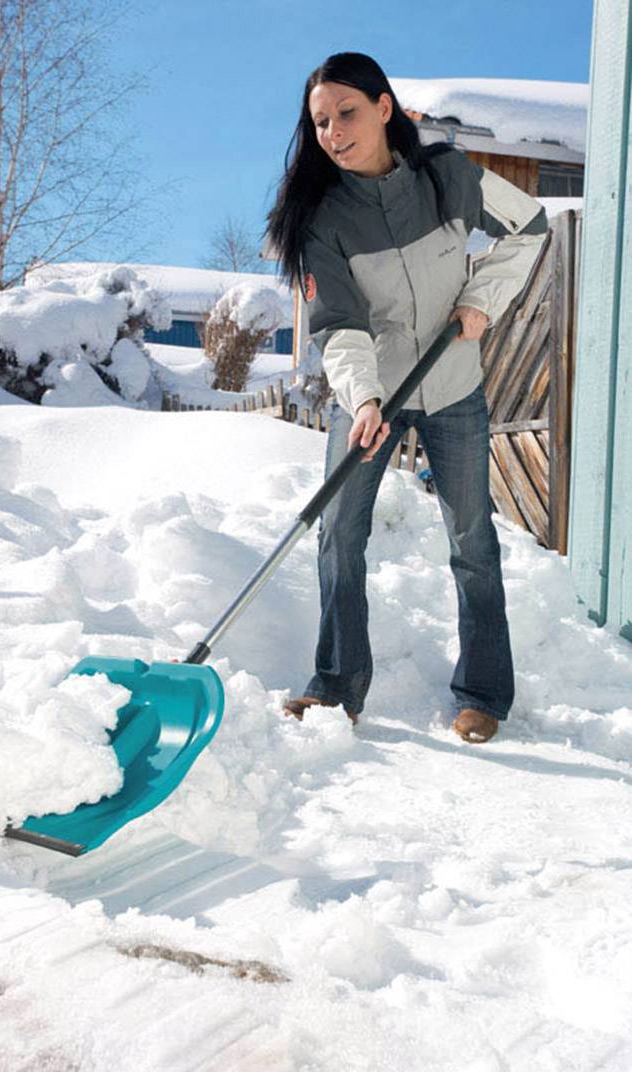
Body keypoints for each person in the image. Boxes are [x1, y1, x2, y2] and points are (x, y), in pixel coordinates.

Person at [266, 52, 547, 744]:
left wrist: (482, 300)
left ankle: (482, 693)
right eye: (321, 122)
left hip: (454, 385)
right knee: (340, 535)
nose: (333, 131)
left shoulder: (446, 177)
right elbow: (338, 325)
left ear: (384, 107)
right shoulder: (323, 221)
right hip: (374, 392)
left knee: (472, 539)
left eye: (347, 113)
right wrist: (363, 400)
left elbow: (532, 225)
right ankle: (335, 688)